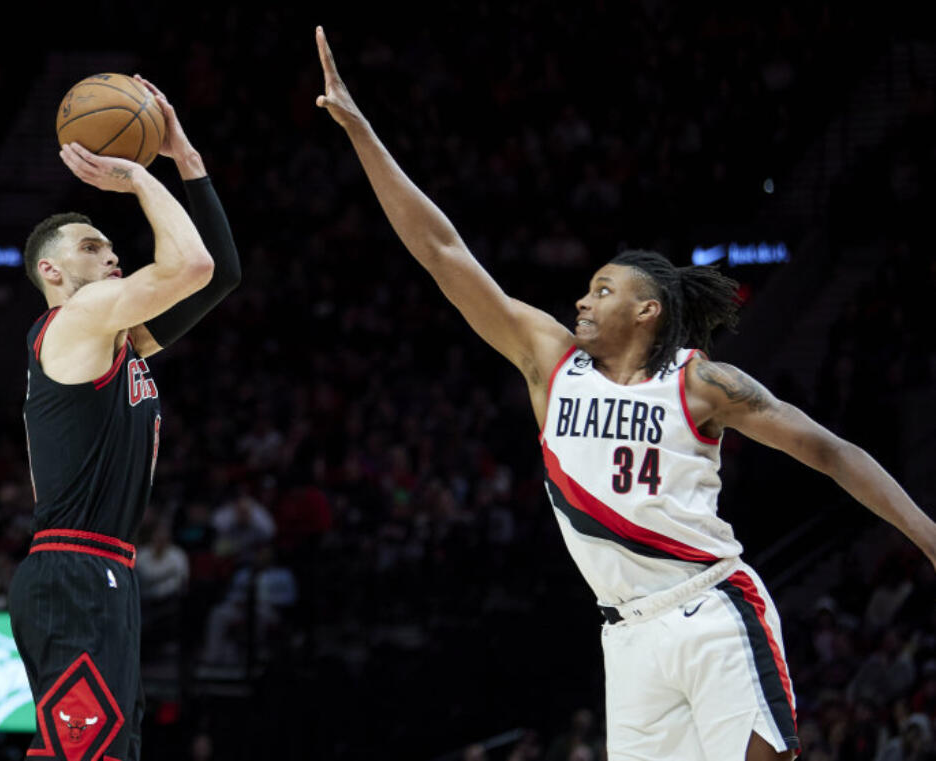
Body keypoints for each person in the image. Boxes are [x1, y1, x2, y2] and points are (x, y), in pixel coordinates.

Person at [313, 26, 936, 761]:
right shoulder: (550, 363)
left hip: (712, 605)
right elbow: (441, 249)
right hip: (627, 636)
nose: (580, 300)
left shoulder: (701, 382)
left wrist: (927, 533)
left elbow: (829, 451)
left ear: (647, 311)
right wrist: (362, 133)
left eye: (601, 289)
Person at [10, 74, 240, 761]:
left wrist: (185, 156)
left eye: (111, 246)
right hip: (74, 569)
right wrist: (139, 174)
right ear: (51, 271)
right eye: (90, 246)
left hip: (101, 570)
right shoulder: (73, 321)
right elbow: (192, 262)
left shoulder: (119, 338)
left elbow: (222, 271)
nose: (111, 253)